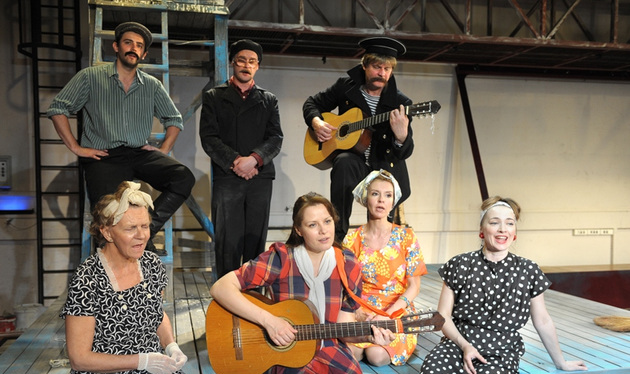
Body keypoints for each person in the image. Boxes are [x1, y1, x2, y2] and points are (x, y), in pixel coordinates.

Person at [209, 192, 395, 374]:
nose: (323, 230)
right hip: (286, 357)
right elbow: (221, 287)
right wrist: (269, 321)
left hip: (332, 354)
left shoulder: (347, 263)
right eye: (312, 225)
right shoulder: (281, 258)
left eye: (327, 221)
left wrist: (370, 336)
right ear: (298, 230)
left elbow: (342, 327)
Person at [415, 196, 588, 374]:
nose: (502, 229)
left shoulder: (528, 270)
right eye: (494, 222)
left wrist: (560, 362)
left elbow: (542, 320)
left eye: (509, 223)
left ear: (514, 232)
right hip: (458, 344)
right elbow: (443, 316)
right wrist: (465, 346)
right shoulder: (459, 265)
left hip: (501, 352)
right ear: (482, 229)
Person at [61, 181, 216, 374]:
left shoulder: (151, 264)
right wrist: (141, 361)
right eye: (130, 228)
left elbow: (157, 313)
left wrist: (171, 345)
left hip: (153, 369)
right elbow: (79, 359)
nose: (141, 235)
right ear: (107, 232)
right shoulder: (87, 279)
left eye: (145, 226)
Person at [47, 21, 195, 255]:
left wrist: (163, 149)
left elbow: (174, 120)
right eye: (128, 42)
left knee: (183, 177)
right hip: (104, 156)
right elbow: (58, 109)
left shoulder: (152, 85)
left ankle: (146, 232)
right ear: (116, 47)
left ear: (143, 54)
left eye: (139, 45)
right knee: (108, 217)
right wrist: (76, 148)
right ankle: (117, 266)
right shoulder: (90, 77)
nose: (133, 48)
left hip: (138, 153)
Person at [303, 36, 414, 241]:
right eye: (377, 67)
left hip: (383, 166)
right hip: (355, 161)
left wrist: (401, 137)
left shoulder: (400, 103)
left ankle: (380, 243)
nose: (382, 73)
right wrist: (317, 123)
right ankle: (337, 237)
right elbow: (312, 104)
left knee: (382, 193)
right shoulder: (346, 87)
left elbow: (405, 151)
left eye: (387, 69)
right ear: (364, 65)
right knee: (343, 162)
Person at [200, 39, 283, 277]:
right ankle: (226, 292)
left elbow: (275, 137)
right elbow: (209, 137)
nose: (246, 66)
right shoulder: (214, 96)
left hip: (260, 176)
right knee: (227, 241)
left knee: (256, 239)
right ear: (233, 63)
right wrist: (236, 161)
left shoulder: (269, 99)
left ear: (257, 66)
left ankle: (252, 290)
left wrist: (254, 159)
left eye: (252, 62)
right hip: (228, 176)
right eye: (241, 60)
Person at [343, 169, 428, 366]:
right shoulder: (352, 239)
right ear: (365, 198)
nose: (381, 200)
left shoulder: (406, 237)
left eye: (388, 195)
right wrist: (358, 312)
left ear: (393, 202)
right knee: (350, 353)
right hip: (363, 312)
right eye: (375, 194)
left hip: (396, 309)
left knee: (376, 355)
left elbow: (414, 286)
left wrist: (387, 315)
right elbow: (345, 285)